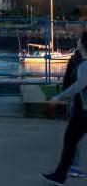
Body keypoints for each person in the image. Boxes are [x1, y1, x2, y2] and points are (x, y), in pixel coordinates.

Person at [43, 32, 87, 184]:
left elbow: (79, 85)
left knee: (70, 142)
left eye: (79, 39)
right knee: (70, 142)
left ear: (83, 44)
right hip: (80, 110)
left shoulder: (84, 64)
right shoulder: (79, 61)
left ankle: (61, 175)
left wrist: (59, 97)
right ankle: (61, 174)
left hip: (83, 112)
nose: (77, 41)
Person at [64, 47, 87, 179]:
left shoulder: (74, 59)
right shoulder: (78, 60)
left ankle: (73, 166)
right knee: (73, 137)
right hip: (80, 104)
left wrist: (64, 97)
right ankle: (73, 166)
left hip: (77, 103)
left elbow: (68, 80)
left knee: (73, 137)